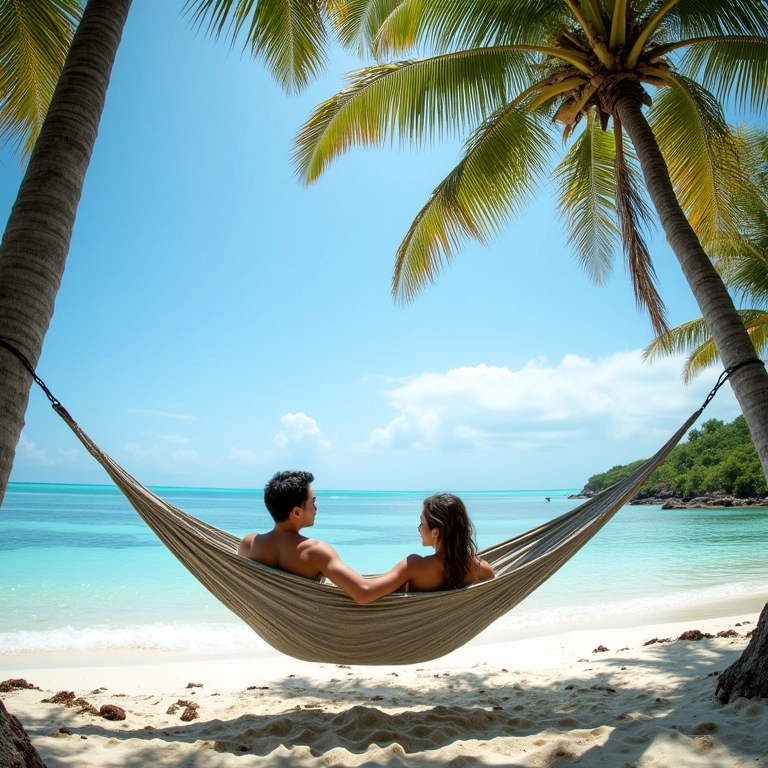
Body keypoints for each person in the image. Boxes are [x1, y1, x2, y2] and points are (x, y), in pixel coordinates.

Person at [238, 473, 493, 603]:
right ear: (296, 512)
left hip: (284, 626)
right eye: (313, 501)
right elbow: (363, 593)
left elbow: (242, 577)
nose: (316, 506)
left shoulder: (250, 544)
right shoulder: (315, 552)